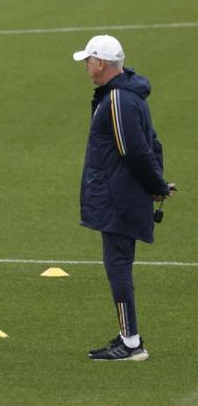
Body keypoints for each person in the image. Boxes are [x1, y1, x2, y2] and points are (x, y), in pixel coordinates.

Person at [73, 35, 174, 361]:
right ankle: (128, 338)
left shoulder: (117, 99)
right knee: (119, 265)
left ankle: (130, 343)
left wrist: (156, 185)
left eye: (88, 60)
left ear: (100, 63)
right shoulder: (128, 96)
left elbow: (134, 150)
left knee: (117, 266)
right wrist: (156, 184)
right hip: (122, 194)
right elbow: (152, 144)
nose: (86, 66)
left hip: (118, 197)